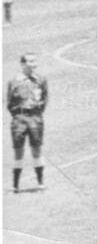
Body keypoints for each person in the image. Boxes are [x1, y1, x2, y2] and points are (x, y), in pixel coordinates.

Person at [7, 54, 48, 192]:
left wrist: (36, 107)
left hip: (36, 118)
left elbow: (45, 99)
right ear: (23, 64)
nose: (34, 64)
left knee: (36, 149)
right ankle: (15, 185)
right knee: (18, 151)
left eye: (35, 60)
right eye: (30, 61)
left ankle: (40, 184)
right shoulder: (14, 81)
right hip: (19, 119)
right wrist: (20, 113)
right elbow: (9, 103)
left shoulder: (41, 80)